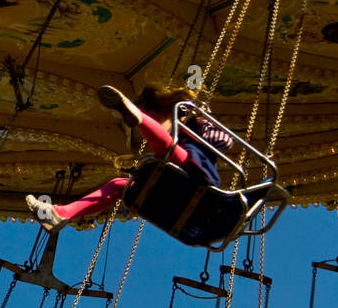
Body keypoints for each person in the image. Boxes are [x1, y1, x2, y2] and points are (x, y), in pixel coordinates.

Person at [26, 83, 236, 233]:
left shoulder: (194, 124)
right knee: (120, 185)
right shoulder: (172, 137)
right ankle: (61, 214)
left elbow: (224, 141)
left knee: (168, 149)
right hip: (177, 192)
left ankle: (138, 116)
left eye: (156, 119)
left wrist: (193, 131)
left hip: (198, 178)